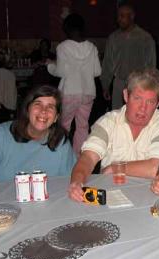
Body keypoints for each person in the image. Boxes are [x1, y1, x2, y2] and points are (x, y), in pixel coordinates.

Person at [68, 68, 159, 202]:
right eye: (137, 98)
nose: (143, 108)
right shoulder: (108, 121)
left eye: (150, 102)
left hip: (149, 199)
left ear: (158, 103)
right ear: (126, 95)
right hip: (111, 197)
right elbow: (88, 158)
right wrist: (77, 183)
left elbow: (155, 167)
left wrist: (116, 168)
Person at [0, 85, 76, 188]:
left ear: (56, 117)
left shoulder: (60, 142)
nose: (43, 111)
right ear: (27, 109)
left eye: (50, 107)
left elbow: (71, 181)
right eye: (38, 104)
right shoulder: (1, 136)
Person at [47, 13, 101, 154]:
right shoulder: (92, 47)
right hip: (88, 92)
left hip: (69, 92)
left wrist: (49, 66)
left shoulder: (63, 47)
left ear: (67, 29)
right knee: (83, 127)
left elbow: (60, 72)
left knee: (64, 125)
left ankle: (61, 155)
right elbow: (97, 72)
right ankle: (78, 159)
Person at [100, 3, 156, 110]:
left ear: (132, 16)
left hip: (138, 84)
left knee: (136, 113)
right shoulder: (113, 38)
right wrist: (105, 85)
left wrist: (149, 86)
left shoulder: (145, 38)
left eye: (122, 16)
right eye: (118, 16)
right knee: (117, 114)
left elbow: (151, 65)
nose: (119, 19)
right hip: (119, 84)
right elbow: (107, 63)